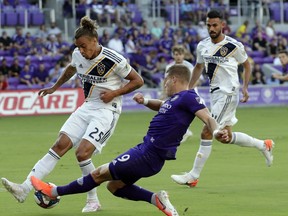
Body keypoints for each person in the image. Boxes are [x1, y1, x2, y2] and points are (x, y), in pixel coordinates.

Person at [29, 64, 228, 216]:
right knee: (114, 186)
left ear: (174, 79)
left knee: (99, 174)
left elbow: (208, 117)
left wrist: (217, 131)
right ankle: (155, 199)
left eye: (165, 81)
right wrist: (146, 101)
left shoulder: (189, 97)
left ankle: (52, 192)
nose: (164, 84)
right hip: (148, 153)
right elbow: (163, 106)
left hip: (148, 154)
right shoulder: (176, 100)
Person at [1, 16, 143, 213]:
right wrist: (55, 87)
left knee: (82, 153)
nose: (81, 51)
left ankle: (92, 199)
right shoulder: (78, 55)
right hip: (87, 107)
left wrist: (114, 93)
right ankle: (24, 188)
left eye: (84, 46)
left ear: (94, 40)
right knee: (59, 145)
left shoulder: (113, 59)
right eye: (79, 47)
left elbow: (138, 81)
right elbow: (71, 68)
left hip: (107, 111)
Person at [171, 10, 275, 188]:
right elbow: (198, 67)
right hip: (215, 94)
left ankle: (193, 176)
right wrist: (188, 89)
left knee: (207, 131)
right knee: (224, 137)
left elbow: (247, 65)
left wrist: (245, 87)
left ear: (222, 25)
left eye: (215, 25)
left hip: (228, 93)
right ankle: (263, 145)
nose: (211, 28)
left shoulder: (233, 45)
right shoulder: (202, 45)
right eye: (209, 25)